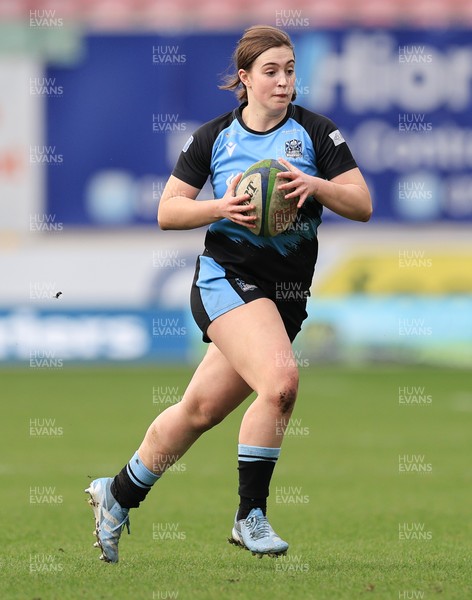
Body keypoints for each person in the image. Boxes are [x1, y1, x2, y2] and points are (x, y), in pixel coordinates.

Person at [85, 24, 372, 563]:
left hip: (285, 295)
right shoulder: (214, 137)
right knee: (282, 383)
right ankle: (250, 517)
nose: (284, 81)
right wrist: (220, 207)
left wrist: (318, 187)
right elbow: (168, 212)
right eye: (271, 72)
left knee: (198, 411)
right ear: (245, 78)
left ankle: (116, 494)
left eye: (289, 70)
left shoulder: (317, 134)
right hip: (225, 276)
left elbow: (361, 203)